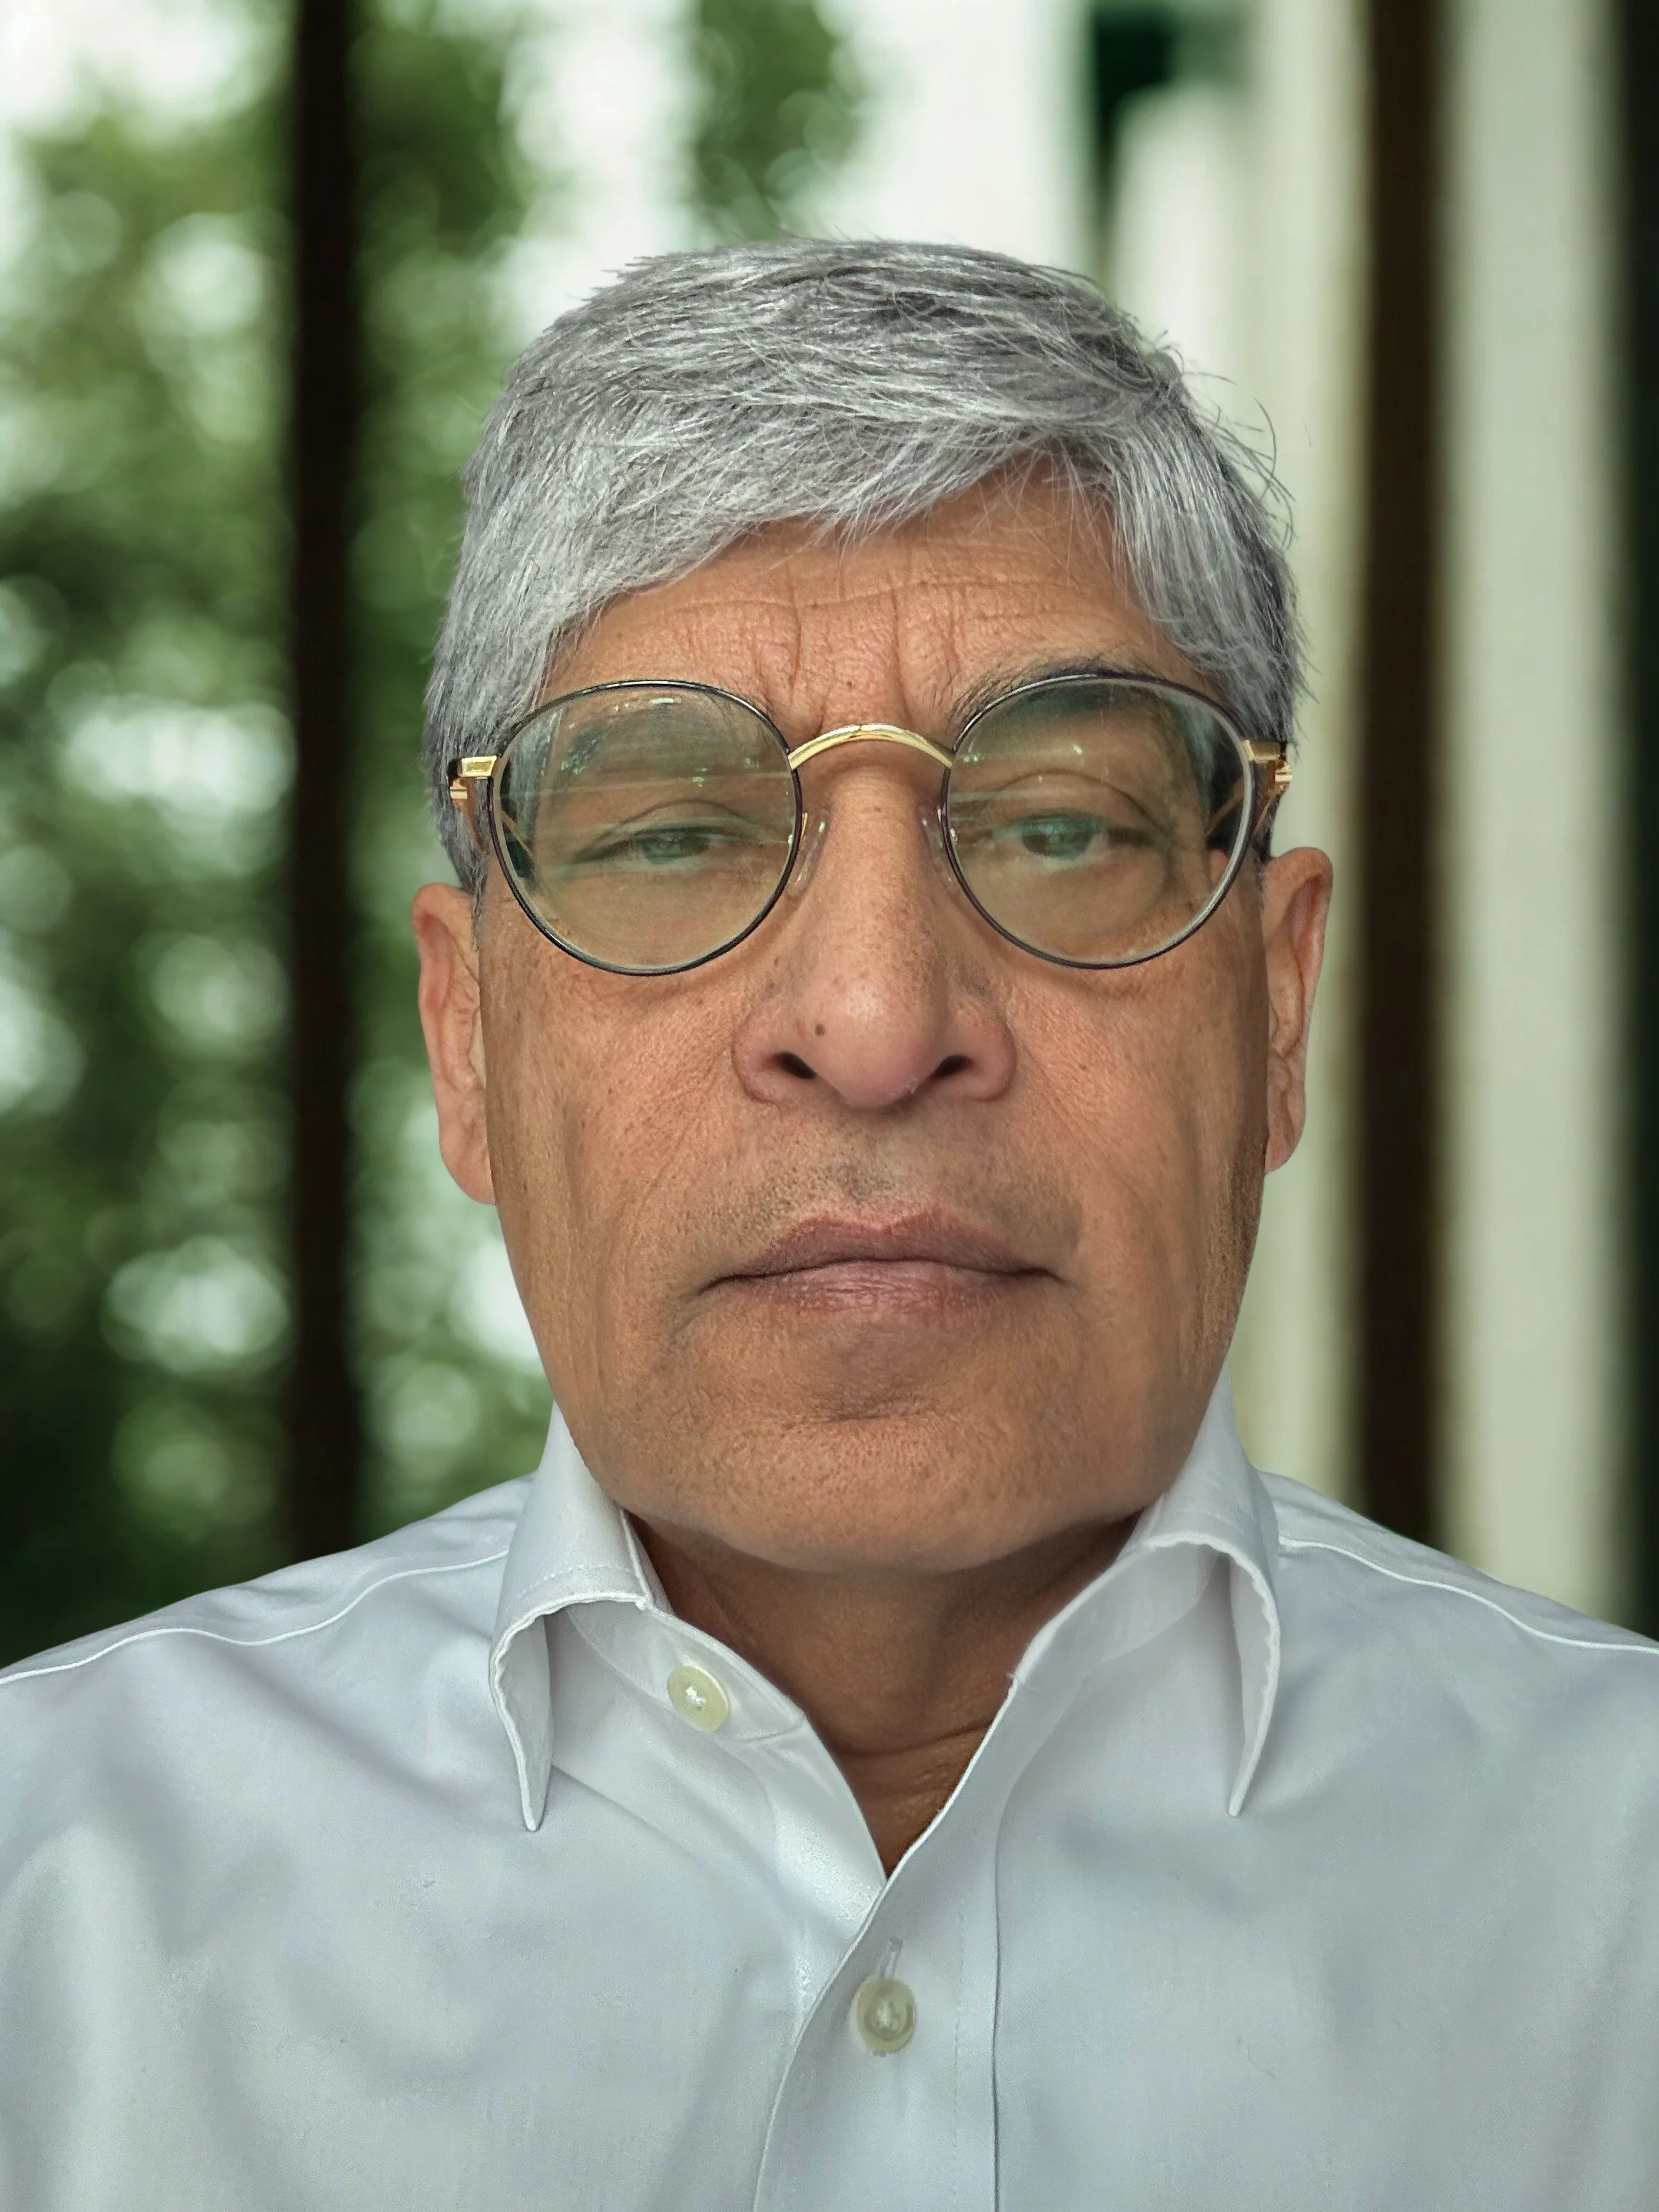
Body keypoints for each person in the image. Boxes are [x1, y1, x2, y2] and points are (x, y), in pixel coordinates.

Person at [2, 239, 1656, 2211]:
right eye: (674, 834)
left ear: (1275, 1007)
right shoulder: (48, 1908)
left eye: (1056, 825)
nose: (874, 1029)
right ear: (465, 1040)